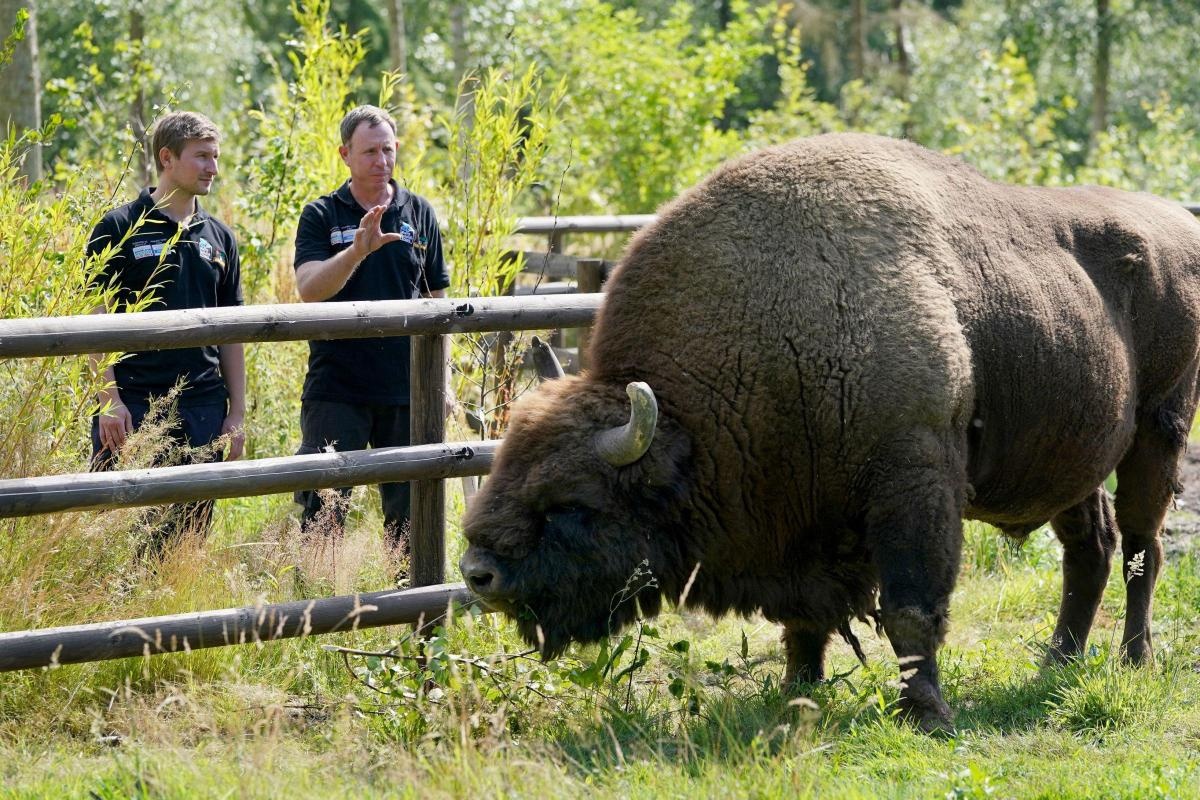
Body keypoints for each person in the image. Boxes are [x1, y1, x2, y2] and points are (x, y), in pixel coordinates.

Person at [292, 105, 450, 550]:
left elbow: (437, 301)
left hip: (406, 387)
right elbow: (308, 289)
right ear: (345, 154)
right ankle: (316, 604)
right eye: (369, 152)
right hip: (337, 386)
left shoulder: (418, 212)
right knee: (324, 506)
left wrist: (443, 381)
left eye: (387, 150)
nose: (381, 161)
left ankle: (414, 609)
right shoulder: (321, 214)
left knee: (410, 510)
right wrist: (357, 251)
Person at [87, 111, 246, 543]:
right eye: (201, 157)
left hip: (202, 407)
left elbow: (233, 333)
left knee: (186, 541)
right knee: (112, 538)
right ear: (167, 158)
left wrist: (236, 412)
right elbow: (93, 324)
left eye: (215, 156)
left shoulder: (220, 237)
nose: (212, 167)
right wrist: (109, 402)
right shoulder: (118, 228)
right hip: (132, 407)